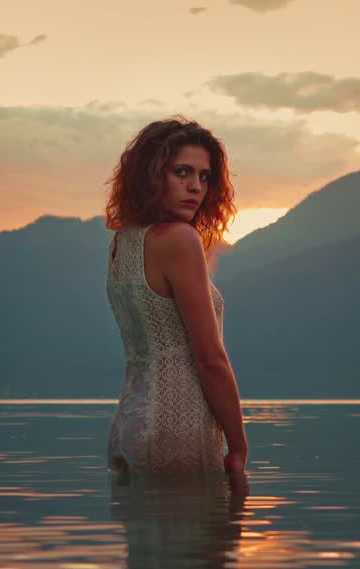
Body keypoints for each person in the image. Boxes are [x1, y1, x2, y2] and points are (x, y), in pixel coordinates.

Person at [103, 116, 249, 495]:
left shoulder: (123, 242)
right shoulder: (179, 239)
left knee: (150, 552)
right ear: (152, 175)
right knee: (197, 551)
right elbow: (210, 359)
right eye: (182, 172)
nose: (195, 187)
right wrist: (239, 445)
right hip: (176, 428)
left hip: (128, 427)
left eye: (204, 176)